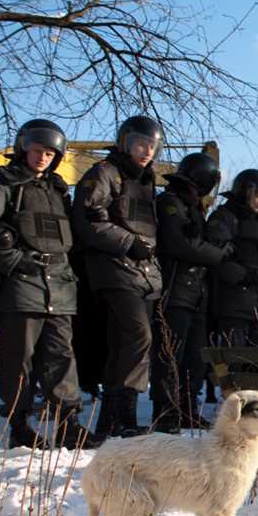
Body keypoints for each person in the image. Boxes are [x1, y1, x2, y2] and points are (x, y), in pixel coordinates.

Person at [0, 119, 95, 448]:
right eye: (37, 150)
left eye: (50, 153)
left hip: (59, 285)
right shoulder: (1, 186)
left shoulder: (57, 191)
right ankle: (20, 426)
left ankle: (68, 425)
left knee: (61, 357)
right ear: (23, 148)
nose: (43, 157)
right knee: (18, 360)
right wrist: (11, 260)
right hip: (19, 287)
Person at [73, 115, 164, 438]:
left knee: (124, 343)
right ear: (125, 142)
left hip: (142, 275)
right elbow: (87, 219)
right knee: (139, 336)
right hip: (113, 270)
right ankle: (122, 413)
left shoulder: (147, 181)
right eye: (141, 143)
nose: (146, 150)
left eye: (152, 146)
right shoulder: (105, 173)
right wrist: (128, 242)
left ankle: (112, 418)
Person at [151, 152, 228, 432]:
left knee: (194, 359)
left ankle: (186, 409)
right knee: (170, 356)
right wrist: (219, 254)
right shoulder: (170, 202)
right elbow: (183, 245)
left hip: (195, 293)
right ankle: (166, 412)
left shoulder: (193, 207)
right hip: (175, 291)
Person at [206, 169, 258, 347]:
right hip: (233, 304)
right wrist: (241, 275)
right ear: (246, 192)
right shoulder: (225, 217)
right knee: (233, 359)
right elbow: (217, 255)